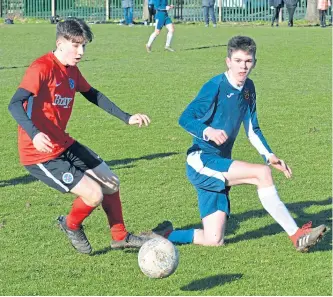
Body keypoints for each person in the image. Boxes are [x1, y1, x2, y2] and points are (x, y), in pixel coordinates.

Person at [150, 36, 327, 252]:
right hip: (202, 160)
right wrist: (208, 131)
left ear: (254, 62)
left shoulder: (248, 88)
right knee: (261, 174)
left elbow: (253, 128)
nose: (243, 66)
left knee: (213, 239)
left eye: (248, 61)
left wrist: (270, 156)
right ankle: (297, 236)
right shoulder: (215, 86)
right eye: (238, 60)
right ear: (228, 61)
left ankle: (163, 235)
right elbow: (185, 118)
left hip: (218, 162)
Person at [7, 17, 161, 254]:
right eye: (76, 45)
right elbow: (15, 104)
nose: (81, 51)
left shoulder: (72, 71)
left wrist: (126, 117)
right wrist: (35, 134)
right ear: (60, 43)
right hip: (39, 152)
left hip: (63, 142)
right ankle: (70, 225)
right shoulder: (41, 68)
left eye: (84, 46)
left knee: (111, 182)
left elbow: (92, 94)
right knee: (93, 194)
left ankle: (120, 237)